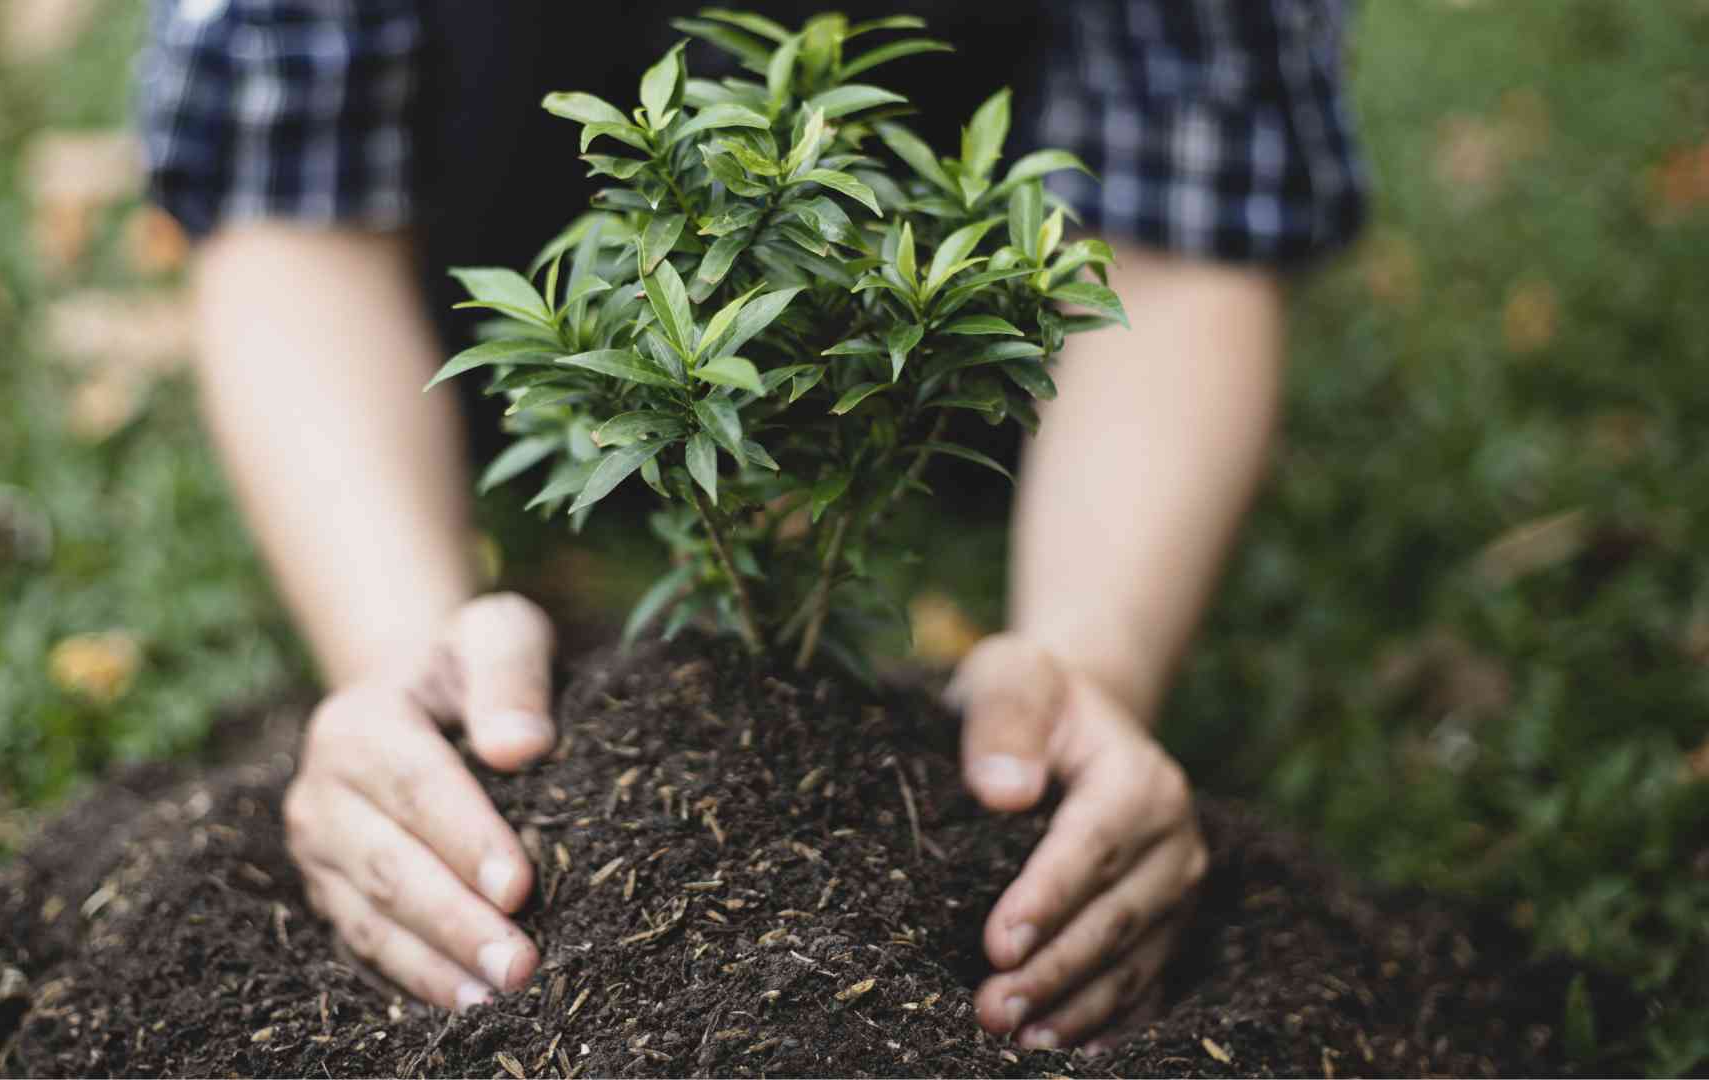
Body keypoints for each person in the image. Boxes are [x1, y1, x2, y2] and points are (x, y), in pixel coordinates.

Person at [139, 0, 1365, 1053]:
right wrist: (401, 646)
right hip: (551, 272)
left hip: (941, 322)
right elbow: (290, 197)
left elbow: (1184, 221)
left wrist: (1095, 659)